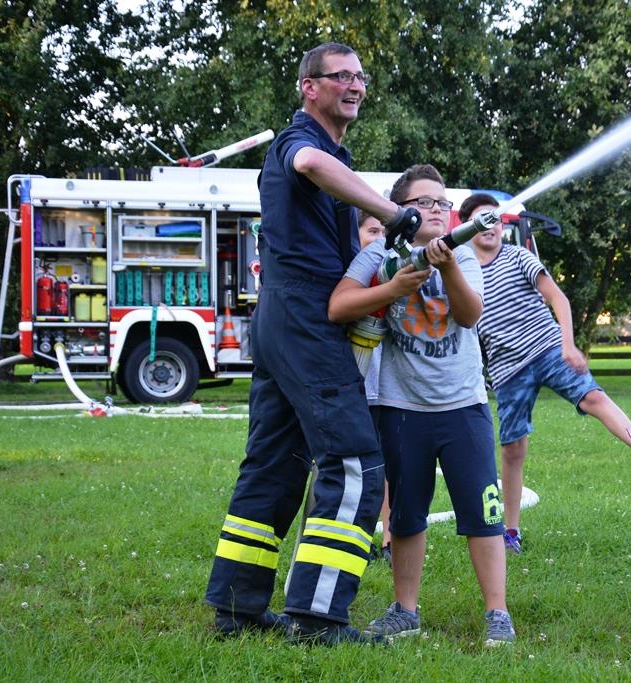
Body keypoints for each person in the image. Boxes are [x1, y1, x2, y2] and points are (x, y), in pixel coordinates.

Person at [204, 42, 424, 644]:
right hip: (304, 317)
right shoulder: (300, 143)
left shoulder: (334, 151)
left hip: (283, 318)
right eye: (341, 76)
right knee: (355, 463)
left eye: (361, 75)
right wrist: (393, 212)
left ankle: (236, 607)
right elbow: (310, 168)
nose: (355, 85)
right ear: (309, 87)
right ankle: (317, 618)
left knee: (274, 464)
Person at [329, 165, 516, 647]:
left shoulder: (466, 254)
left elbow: (470, 314)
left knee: (483, 511)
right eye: (423, 202)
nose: (436, 209)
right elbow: (339, 305)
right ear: (400, 212)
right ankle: (405, 610)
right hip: (400, 407)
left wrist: (448, 264)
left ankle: (497, 611)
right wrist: (392, 288)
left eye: (441, 202)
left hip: (463, 407)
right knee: (405, 515)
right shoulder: (378, 253)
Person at [461, 193, 631, 555]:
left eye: (495, 219)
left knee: (592, 397)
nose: (490, 226)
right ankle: (510, 532)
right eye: (482, 219)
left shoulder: (519, 257)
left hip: (548, 348)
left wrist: (569, 344)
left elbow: (558, 298)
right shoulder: (463, 273)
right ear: (467, 227)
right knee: (512, 449)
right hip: (508, 370)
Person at [356, 209, 393, 565]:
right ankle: (358, 538)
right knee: (360, 469)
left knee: (389, 468)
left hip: (389, 390)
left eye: (385, 231)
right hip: (357, 388)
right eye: (372, 230)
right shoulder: (352, 280)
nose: (380, 237)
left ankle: (389, 539)